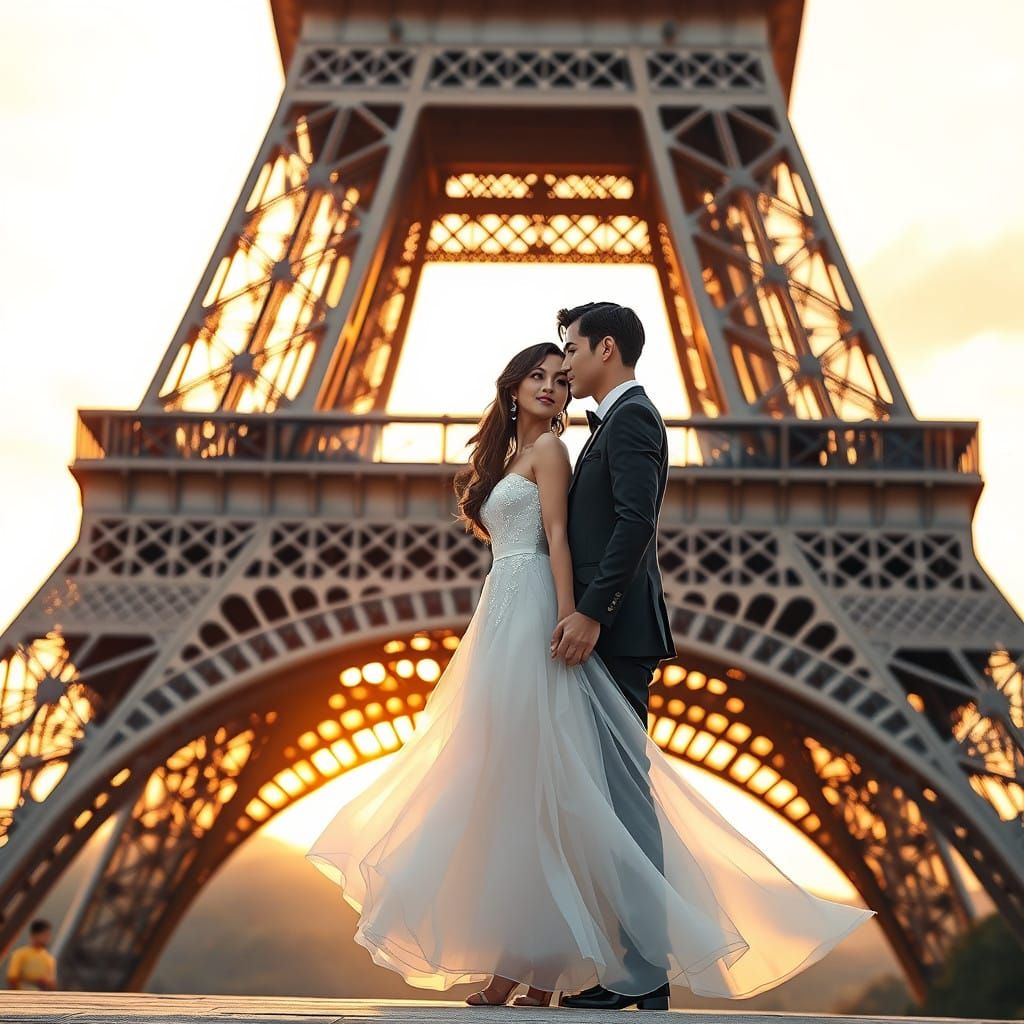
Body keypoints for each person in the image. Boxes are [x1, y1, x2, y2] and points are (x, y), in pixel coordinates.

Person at [305, 311, 875, 1009]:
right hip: (508, 619)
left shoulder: (597, 433)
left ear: (604, 349)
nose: (560, 375)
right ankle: (543, 967)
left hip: (559, 617)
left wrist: (580, 615)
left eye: (566, 359)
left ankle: (617, 970)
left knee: (587, 801)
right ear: (513, 387)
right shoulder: (554, 442)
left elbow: (596, 531)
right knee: (526, 795)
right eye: (543, 371)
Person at [6, 919, 57, 991]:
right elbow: (12, 979)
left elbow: (52, 984)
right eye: (45, 935)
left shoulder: (49, 958)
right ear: (34, 935)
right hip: (22, 997)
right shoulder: (20, 954)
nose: (48, 938)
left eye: (48, 935)